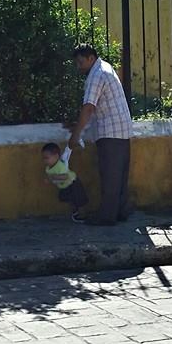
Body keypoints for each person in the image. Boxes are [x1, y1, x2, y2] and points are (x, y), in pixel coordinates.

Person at [68, 43, 133, 226]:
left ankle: (107, 217)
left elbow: (89, 107)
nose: (78, 67)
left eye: (80, 62)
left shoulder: (96, 75)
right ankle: (120, 211)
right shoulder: (106, 68)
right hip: (122, 129)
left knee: (110, 175)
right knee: (119, 176)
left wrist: (76, 135)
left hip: (110, 131)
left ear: (90, 58)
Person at [42, 142, 88, 223]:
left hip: (73, 183)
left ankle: (82, 214)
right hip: (64, 186)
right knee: (71, 200)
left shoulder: (60, 165)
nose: (45, 160)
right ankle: (76, 213)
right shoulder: (48, 168)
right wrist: (49, 180)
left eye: (47, 158)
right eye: (43, 158)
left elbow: (65, 176)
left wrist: (52, 177)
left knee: (78, 199)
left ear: (56, 156)